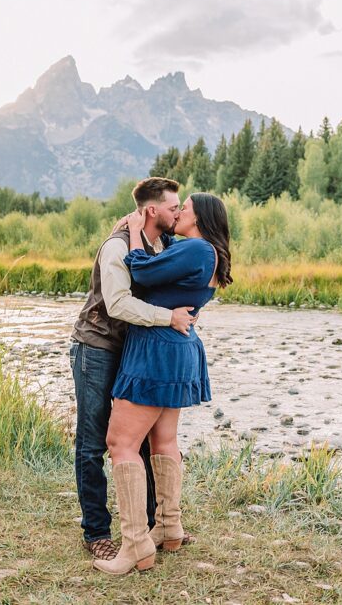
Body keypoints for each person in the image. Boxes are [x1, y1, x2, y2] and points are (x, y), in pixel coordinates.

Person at [92, 192, 233, 575]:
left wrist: (137, 230)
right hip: (175, 348)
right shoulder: (199, 251)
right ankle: (169, 526)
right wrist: (147, 229)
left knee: (121, 443)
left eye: (183, 208)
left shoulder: (199, 251)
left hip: (156, 349)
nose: (178, 213)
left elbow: (141, 271)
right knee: (163, 440)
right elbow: (161, 263)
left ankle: (135, 544)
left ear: (200, 216)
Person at [69, 177, 197, 561]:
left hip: (135, 351)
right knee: (93, 444)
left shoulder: (161, 243)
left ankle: (150, 527)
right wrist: (168, 318)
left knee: (138, 440)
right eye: (174, 207)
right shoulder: (117, 246)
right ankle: (95, 532)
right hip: (97, 348)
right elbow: (118, 305)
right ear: (152, 210)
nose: (178, 213)